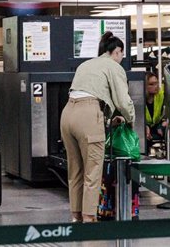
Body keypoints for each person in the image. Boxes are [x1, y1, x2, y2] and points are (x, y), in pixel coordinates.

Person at [61, 31, 135, 223]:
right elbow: (122, 101)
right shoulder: (113, 66)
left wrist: (109, 121)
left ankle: (76, 216)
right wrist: (130, 119)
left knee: (75, 171)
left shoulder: (85, 64)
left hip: (67, 114)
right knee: (93, 172)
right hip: (89, 114)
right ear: (117, 51)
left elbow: (88, 95)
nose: (122, 58)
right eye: (122, 54)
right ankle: (89, 219)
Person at [145, 72, 167, 151]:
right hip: (143, 128)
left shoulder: (161, 94)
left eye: (157, 83)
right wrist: (145, 126)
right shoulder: (138, 97)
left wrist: (163, 124)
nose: (156, 86)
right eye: (151, 84)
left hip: (158, 126)